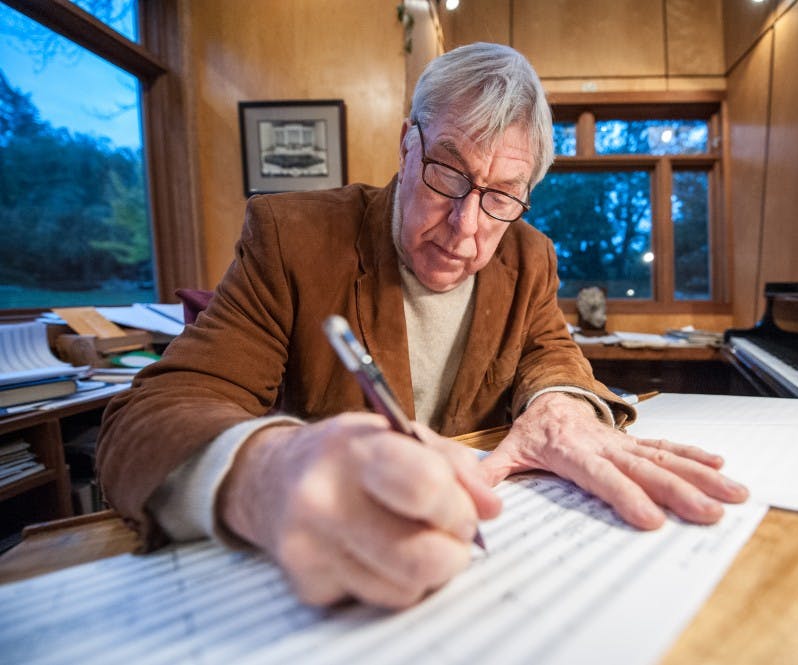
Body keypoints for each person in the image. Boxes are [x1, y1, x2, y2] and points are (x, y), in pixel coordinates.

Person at [96, 42, 747, 610]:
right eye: (447, 173)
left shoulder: (528, 256)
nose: (466, 226)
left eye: (500, 197)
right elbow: (146, 418)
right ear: (407, 143)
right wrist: (269, 472)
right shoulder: (291, 238)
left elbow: (550, 349)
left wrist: (562, 403)